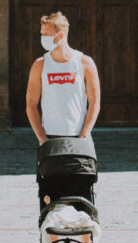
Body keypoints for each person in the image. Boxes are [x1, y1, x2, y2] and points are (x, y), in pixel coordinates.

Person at [25, 11, 101, 146]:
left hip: (79, 136)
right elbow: (31, 104)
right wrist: (42, 138)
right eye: (42, 34)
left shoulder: (85, 63)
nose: (43, 38)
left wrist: (83, 136)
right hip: (50, 137)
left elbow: (94, 103)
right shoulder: (39, 64)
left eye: (47, 34)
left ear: (61, 35)